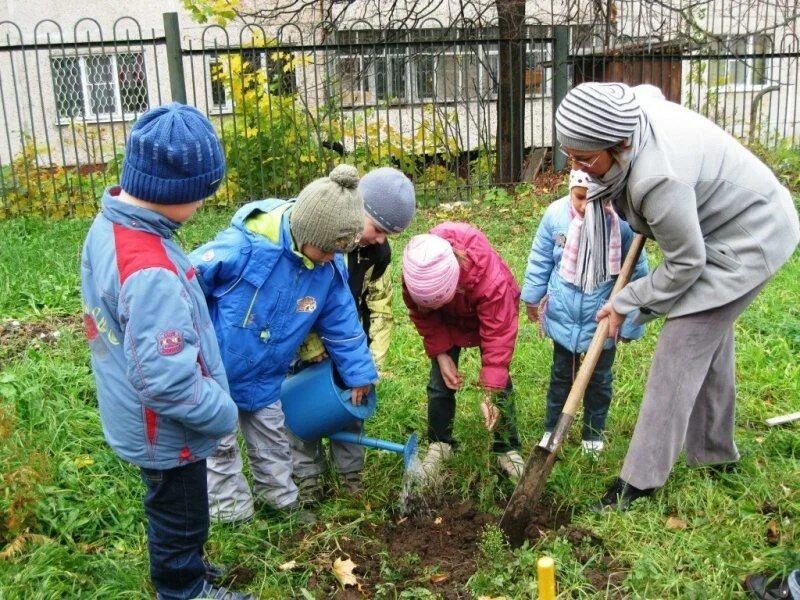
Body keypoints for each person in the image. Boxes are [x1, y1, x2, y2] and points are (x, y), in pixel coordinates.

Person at [553, 82, 800, 510]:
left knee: (680, 348)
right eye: (570, 156)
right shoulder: (632, 111)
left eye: (585, 159)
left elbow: (687, 264)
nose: (577, 167)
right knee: (708, 340)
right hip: (717, 226)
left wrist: (627, 300)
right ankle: (713, 451)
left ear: (621, 143)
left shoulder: (660, 177)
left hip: (747, 237)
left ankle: (640, 482)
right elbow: (648, 91)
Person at [80, 103, 253, 600]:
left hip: (140, 414)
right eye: (201, 193)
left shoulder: (115, 226)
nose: (203, 203)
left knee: (181, 508)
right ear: (173, 192)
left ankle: (190, 567)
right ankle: (183, 589)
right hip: (166, 429)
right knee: (178, 513)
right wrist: (222, 412)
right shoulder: (149, 267)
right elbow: (168, 380)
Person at [190, 164, 378, 524]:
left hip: (265, 374)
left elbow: (343, 324)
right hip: (215, 369)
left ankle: (281, 501)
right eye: (326, 249)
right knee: (220, 445)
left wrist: (359, 373)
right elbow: (187, 281)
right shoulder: (244, 247)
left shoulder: (328, 269)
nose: (331, 258)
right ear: (307, 231)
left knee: (272, 440)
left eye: (339, 251)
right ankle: (233, 516)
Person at [291, 167, 416, 501]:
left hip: (350, 348)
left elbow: (380, 306)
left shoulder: (376, 252)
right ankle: (306, 478)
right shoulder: (317, 233)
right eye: (377, 229)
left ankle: (350, 479)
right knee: (302, 409)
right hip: (305, 345)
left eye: (389, 234)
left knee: (348, 409)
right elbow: (295, 302)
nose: (380, 239)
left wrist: (368, 366)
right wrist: (311, 346)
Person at [522, 169, 649, 455]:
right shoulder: (555, 217)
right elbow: (540, 258)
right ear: (571, 191)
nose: (585, 206)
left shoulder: (623, 225)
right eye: (580, 198)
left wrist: (630, 326)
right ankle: (552, 430)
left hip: (601, 321)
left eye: (595, 200)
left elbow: (637, 276)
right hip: (564, 316)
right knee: (560, 378)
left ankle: (593, 434)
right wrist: (532, 298)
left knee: (599, 381)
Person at [401, 223, 524, 484]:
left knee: (499, 382)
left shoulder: (491, 283)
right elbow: (423, 317)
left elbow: (498, 335)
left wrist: (490, 390)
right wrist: (442, 353)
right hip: (445, 321)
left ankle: (506, 446)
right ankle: (440, 443)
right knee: (439, 384)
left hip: (484, 317)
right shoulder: (415, 274)